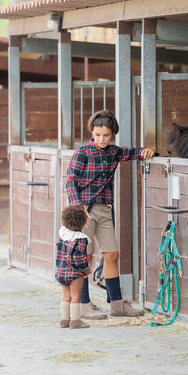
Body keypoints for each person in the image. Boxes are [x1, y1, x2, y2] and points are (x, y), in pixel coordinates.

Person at [66, 109, 155, 320]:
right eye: (97, 135)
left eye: (106, 135)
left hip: (105, 209)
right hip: (84, 210)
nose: (101, 139)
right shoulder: (83, 153)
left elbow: (132, 152)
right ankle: (84, 305)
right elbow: (70, 180)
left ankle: (117, 305)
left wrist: (147, 151)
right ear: (92, 132)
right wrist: (79, 208)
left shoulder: (113, 152)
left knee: (111, 255)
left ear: (112, 134)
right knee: (84, 257)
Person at [55, 204, 92, 329]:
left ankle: (64, 320)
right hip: (75, 273)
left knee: (66, 296)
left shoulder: (63, 234)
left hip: (61, 271)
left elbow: (59, 253)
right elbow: (80, 257)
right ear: (82, 222)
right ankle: (75, 321)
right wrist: (85, 270)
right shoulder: (81, 239)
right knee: (76, 297)